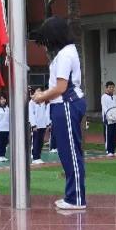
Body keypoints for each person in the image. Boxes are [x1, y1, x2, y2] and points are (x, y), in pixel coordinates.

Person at [32, 17, 87, 210]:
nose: (46, 45)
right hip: (64, 104)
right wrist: (46, 96)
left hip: (66, 105)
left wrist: (41, 96)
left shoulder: (64, 54)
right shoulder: (67, 52)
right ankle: (72, 195)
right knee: (68, 152)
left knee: (70, 152)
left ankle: (76, 198)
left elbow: (61, 87)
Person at [28, 88, 49, 165]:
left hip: (42, 125)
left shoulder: (43, 102)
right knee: (35, 141)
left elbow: (46, 114)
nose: (39, 93)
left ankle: (38, 157)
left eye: (40, 92)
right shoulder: (32, 103)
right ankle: (35, 157)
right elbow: (31, 114)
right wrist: (33, 125)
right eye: (37, 92)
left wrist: (47, 124)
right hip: (36, 126)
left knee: (41, 142)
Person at [101, 81, 116, 157]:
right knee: (108, 135)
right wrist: (111, 116)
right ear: (106, 88)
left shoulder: (115, 97)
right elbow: (105, 108)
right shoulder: (104, 97)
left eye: (112, 87)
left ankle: (113, 150)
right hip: (108, 120)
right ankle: (108, 150)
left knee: (114, 135)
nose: (111, 89)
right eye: (109, 87)